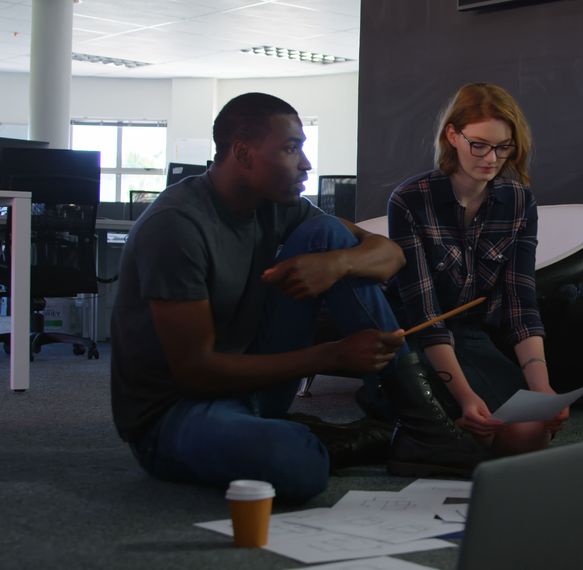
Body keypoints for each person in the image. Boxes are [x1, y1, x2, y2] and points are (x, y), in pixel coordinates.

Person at [110, 93, 484, 502]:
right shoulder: (176, 227)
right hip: (176, 414)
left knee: (330, 238)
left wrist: (337, 264)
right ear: (243, 153)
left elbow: (391, 255)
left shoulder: (276, 206)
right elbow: (195, 372)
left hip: (251, 383)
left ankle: (421, 426)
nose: (305, 163)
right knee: (297, 464)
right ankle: (327, 437)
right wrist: (331, 356)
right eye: (291, 149)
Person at [387, 82, 566, 456]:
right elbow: (427, 316)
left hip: (474, 337)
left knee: (533, 433)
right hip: (416, 343)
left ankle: (446, 432)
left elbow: (522, 304)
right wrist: (466, 397)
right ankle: (420, 425)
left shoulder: (518, 201)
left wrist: (542, 388)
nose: (491, 158)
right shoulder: (410, 199)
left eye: (503, 147)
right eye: (479, 144)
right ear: (452, 135)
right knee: (485, 431)